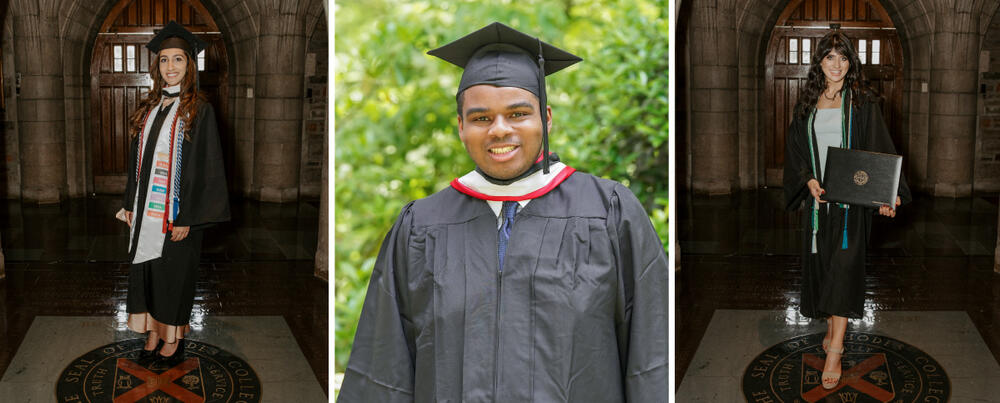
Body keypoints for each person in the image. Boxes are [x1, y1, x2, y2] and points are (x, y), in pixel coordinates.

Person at [338, 22, 668, 402]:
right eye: (481, 118)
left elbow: (652, 359)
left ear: (545, 118)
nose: (499, 130)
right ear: (461, 127)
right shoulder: (420, 227)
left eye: (517, 114)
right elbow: (384, 372)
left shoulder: (609, 213)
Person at [783, 31, 912, 390]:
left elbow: (881, 150)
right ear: (819, 63)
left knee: (843, 270)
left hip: (850, 206)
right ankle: (830, 330)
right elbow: (795, 152)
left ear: (851, 63)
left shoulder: (862, 102)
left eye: (843, 58)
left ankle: (835, 351)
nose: (836, 65)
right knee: (826, 269)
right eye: (829, 58)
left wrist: (890, 195)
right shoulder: (806, 104)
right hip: (817, 206)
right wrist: (808, 181)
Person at [120, 20, 230, 365]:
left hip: (178, 214)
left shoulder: (199, 110)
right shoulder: (150, 108)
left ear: (190, 64)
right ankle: (153, 331)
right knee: (148, 272)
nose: (170, 66)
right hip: (146, 211)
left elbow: (209, 169)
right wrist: (130, 205)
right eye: (164, 60)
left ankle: (172, 338)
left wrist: (190, 218)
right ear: (157, 67)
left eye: (178, 59)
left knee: (173, 276)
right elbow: (137, 165)